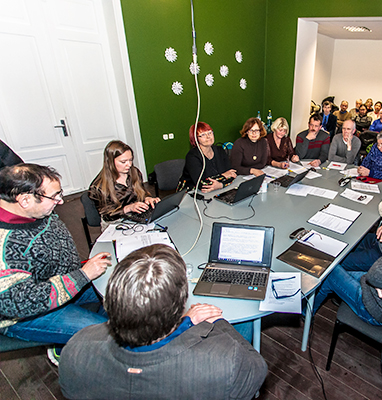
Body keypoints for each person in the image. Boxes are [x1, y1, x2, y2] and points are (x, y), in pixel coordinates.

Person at [59, 244, 267, 399]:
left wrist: (185, 322)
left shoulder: (75, 349)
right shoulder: (225, 362)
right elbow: (257, 370)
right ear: (183, 303)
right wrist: (219, 322)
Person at [0, 164, 110, 364]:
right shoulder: (5, 247)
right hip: (27, 313)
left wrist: (80, 274)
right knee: (107, 333)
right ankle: (65, 347)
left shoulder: (36, 210)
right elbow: (20, 303)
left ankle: (68, 337)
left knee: (118, 288)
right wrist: (83, 275)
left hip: (65, 282)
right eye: (54, 197)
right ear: (24, 200)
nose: (60, 202)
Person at [89, 141, 160, 224]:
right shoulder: (98, 186)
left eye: (130, 160)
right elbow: (107, 215)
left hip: (136, 214)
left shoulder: (134, 172)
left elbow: (142, 192)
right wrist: (128, 208)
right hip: (115, 220)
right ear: (110, 162)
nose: (129, 165)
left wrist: (147, 198)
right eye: (123, 162)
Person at [179, 122, 237, 192]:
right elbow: (202, 184)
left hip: (216, 189)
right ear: (195, 139)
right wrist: (224, 176)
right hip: (191, 192)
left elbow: (232, 173)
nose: (208, 136)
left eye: (210, 133)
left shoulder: (220, 150)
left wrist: (220, 185)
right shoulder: (192, 156)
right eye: (203, 135)